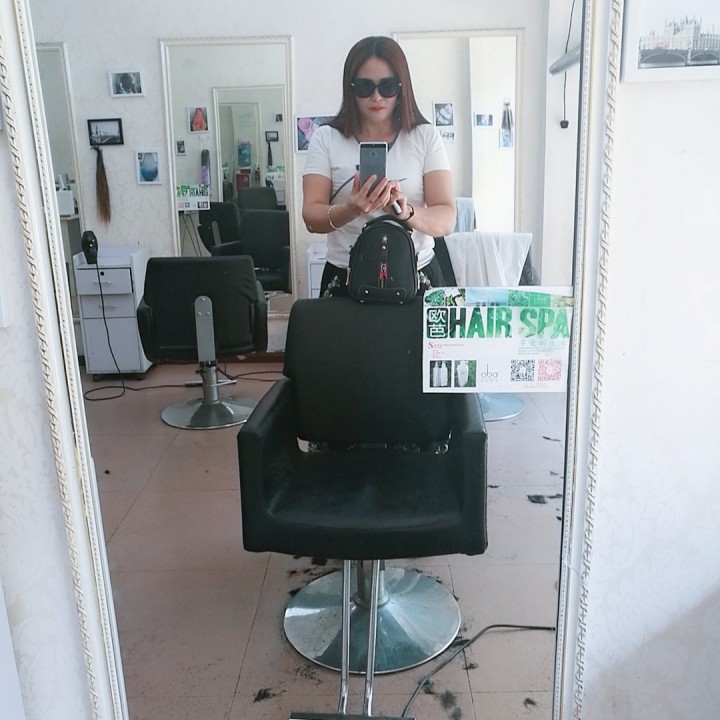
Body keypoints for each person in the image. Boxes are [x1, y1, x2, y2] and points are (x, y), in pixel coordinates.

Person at [302, 36, 456, 297]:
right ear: (350, 88)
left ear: (402, 87)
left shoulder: (425, 137)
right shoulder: (326, 138)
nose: (376, 97)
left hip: (415, 274)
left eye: (387, 86)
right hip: (346, 276)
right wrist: (350, 210)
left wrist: (406, 212)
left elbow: (447, 220)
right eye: (364, 87)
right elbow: (311, 217)